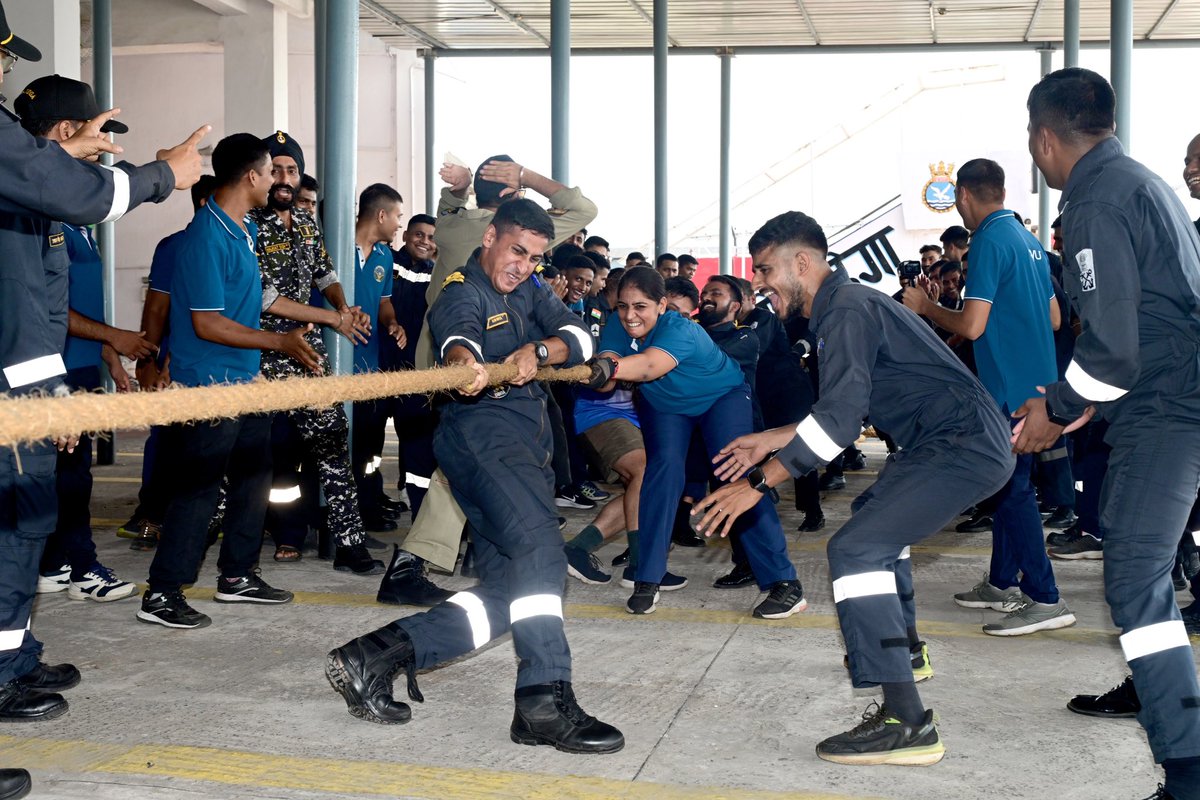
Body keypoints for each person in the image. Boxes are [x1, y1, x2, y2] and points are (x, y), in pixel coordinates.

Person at [693, 210, 1014, 766]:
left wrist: (759, 484)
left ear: (801, 262)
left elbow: (840, 422)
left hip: (960, 443)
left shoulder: (843, 309)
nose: (761, 283)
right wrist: (771, 437)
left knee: (857, 549)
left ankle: (906, 721)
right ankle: (905, 653)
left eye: (766, 269)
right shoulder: (848, 304)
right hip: (950, 441)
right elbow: (845, 407)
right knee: (872, 519)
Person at [326, 198, 624, 755]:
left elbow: (580, 336)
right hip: (483, 441)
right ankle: (543, 701)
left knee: (511, 591)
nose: (524, 266)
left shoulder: (528, 287)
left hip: (521, 448)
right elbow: (455, 340)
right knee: (541, 556)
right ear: (489, 237)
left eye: (535, 258)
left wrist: (540, 347)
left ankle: (375, 654)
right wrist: (467, 364)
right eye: (516, 251)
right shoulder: (462, 290)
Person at [0, 1, 206, 791]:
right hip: (12, 393)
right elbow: (75, 196)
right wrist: (162, 175)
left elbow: (32, 300)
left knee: (25, 526)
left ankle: (11, 661)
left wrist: (47, 388)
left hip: (26, 388)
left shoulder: (27, 178)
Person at [1013, 67, 1200, 800]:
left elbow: (1117, 348)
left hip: (1169, 411)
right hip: (1165, 397)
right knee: (1144, 579)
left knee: (1135, 579)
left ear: (1044, 136)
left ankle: (1186, 769)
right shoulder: (1143, 182)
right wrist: (1089, 401)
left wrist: (1058, 404)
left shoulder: (1093, 199)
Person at [137, 133, 317, 630]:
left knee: (255, 477)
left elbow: (255, 299)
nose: (279, 181)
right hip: (210, 386)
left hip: (246, 380)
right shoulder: (205, 238)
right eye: (272, 173)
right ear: (252, 177)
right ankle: (162, 592)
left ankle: (237, 576)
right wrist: (279, 343)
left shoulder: (242, 230)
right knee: (198, 490)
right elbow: (207, 323)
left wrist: (324, 319)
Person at [903, 157, 1074, 637]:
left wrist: (926, 307)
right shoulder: (1029, 241)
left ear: (962, 197)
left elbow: (972, 324)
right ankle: (1002, 583)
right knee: (1005, 486)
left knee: (1012, 490)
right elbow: (1056, 319)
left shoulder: (989, 243)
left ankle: (1045, 597)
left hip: (1010, 393)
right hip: (1040, 388)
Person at [596, 268, 804, 617]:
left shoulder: (681, 329)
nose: (630, 315)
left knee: (734, 474)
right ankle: (648, 575)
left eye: (641, 306)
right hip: (665, 404)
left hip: (720, 396)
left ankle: (784, 583)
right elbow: (605, 381)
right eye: (623, 306)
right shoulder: (617, 325)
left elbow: (647, 366)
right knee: (662, 473)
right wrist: (598, 367)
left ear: (662, 305)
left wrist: (610, 368)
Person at [15, 74, 145, 602]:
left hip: (81, 362)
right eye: (101, 134)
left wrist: (109, 354)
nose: (107, 148)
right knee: (60, 475)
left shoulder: (73, 216)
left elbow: (82, 296)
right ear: (69, 129)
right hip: (44, 367)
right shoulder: (34, 209)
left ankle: (55, 564)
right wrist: (114, 335)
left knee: (70, 472)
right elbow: (42, 304)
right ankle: (81, 565)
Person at [250, 131, 381, 573]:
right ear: (264, 175)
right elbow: (264, 299)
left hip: (307, 356)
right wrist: (333, 319)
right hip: (259, 357)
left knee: (332, 445)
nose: (284, 179)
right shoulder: (249, 223)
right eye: (277, 170)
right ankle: (207, 543)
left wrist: (344, 307)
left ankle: (349, 544)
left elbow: (325, 273)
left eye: (292, 170)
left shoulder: (306, 223)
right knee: (244, 453)